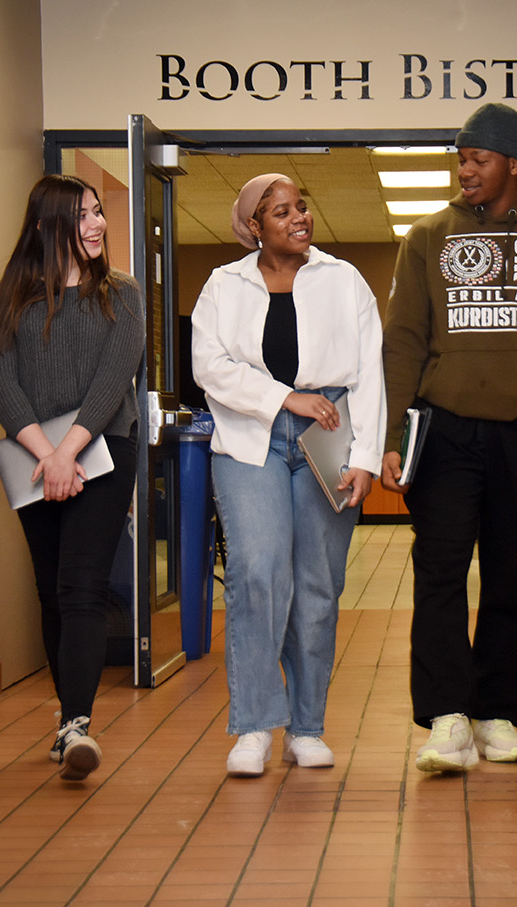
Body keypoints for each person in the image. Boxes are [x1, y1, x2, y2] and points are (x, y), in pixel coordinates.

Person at [380, 103, 517, 772]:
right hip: (445, 432)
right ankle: (447, 716)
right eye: (461, 158)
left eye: (477, 158)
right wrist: (392, 434)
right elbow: (405, 343)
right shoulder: (427, 238)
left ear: (514, 164)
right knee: (439, 571)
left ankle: (498, 712)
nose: (464, 169)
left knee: (516, 577)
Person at [192, 174, 386, 778]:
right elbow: (210, 367)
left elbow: (370, 372)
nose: (299, 217)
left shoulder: (343, 279)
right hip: (252, 437)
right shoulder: (223, 285)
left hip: (329, 432)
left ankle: (306, 727)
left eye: (302, 205)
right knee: (255, 573)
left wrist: (366, 455)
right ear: (255, 226)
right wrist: (283, 398)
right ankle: (253, 726)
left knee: (318, 583)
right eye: (282, 211)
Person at [0, 174, 143, 783]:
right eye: (83, 216)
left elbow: (112, 381)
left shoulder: (122, 294)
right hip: (34, 458)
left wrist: (68, 451)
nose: (98, 224)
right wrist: (45, 454)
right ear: (49, 225)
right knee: (50, 590)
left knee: (81, 586)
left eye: (99, 213)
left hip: (104, 454)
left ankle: (75, 724)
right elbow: (2, 380)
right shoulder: (15, 296)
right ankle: (66, 725)